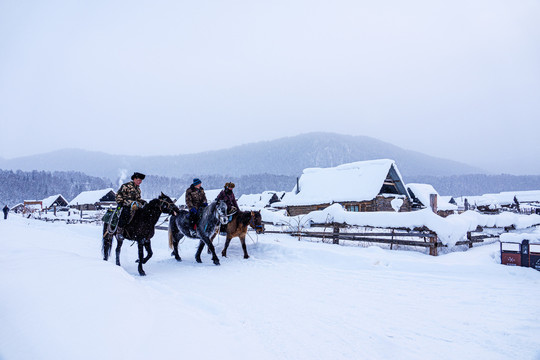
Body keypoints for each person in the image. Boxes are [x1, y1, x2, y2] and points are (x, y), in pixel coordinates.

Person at [115, 172, 147, 239]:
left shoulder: (138, 189)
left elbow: (138, 199)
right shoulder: (125, 186)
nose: (140, 182)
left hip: (135, 206)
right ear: (134, 179)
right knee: (125, 213)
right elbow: (119, 195)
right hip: (126, 204)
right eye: (138, 180)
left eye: (141, 180)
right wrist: (120, 202)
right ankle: (119, 232)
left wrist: (143, 202)